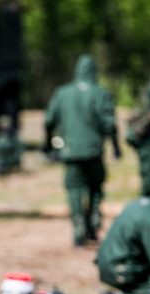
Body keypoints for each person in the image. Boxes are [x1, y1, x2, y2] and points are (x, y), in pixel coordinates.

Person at [44, 54, 120, 247]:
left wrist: (48, 145)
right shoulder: (100, 93)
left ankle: (78, 225)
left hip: (71, 152)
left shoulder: (62, 93)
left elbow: (48, 120)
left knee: (74, 189)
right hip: (94, 151)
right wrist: (116, 147)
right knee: (95, 187)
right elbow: (110, 124)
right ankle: (94, 220)